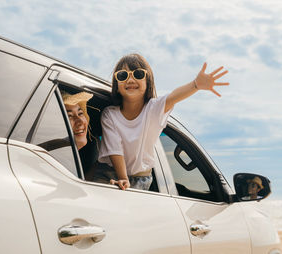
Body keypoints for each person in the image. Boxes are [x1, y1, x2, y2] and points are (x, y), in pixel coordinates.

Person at [96, 53, 229, 190]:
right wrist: (123, 178)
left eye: (138, 74)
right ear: (116, 84)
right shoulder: (110, 114)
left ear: (148, 81)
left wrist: (195, 85)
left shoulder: (154, 109)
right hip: (109, 174)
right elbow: (115, 148)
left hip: (140, 179)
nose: (130, 79)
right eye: (123, 75)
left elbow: (173, 97)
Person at [62, 91, 98, 180]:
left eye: (80, 114)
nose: (80, 122)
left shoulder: (77, 160)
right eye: (69, 116)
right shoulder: (55, 159)